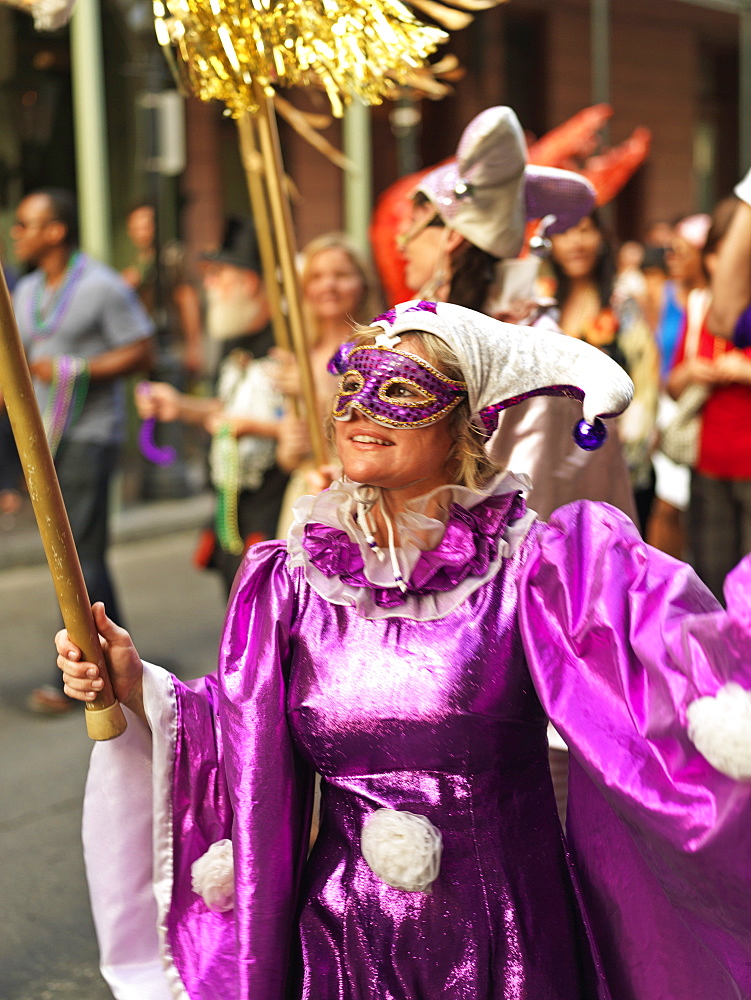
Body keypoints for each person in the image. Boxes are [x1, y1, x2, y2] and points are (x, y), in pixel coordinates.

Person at [57, 300, 751, 999]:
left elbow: (663, 671)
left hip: (505, 935)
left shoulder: (536, 565)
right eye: (352, 388)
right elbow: (243, 737)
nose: (363, 411)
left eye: (399, 392)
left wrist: (724, 699)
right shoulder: (291, 580)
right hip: (344, 938)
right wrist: (135, 682)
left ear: (466, 423)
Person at [399, 106, 638, 524]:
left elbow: (526, 514)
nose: (402, 243)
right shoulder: (438, 334)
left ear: (453, 240)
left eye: (416, 225)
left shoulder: (532, 352)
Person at [6, 188, 153, 714]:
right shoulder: (23, 291)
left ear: (56, 231)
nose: (16, 233)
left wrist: (80, 367)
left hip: (89, 436)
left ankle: (77, 674)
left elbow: (142, 348)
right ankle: (117, 657)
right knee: (81, 553)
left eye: (26, 225)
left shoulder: (101, 285)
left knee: (78, 554)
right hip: (45, 440)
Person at [136, 216, 288, 595]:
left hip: (276, 511)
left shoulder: (290, 342)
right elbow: (227, 408)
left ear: (249, 282)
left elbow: (306, 430)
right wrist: (181, 406)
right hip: (233, 509)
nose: (208, 287)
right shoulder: (234, 336)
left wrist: (256, 429)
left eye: (217, 276)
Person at [549, 212, 659, 534]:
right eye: (564, 233)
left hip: (616, 463)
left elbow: (646, 380)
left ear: (601, 238)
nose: (576, 242)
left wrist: (629, 450)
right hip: (552, 466)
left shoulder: (622, 305)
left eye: (585, 230)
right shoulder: (538, 307)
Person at [666, 197, 751, 603]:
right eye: (717, 253)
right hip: (708, 462)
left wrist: (742, 370)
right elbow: (673, 383)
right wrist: (693, 371)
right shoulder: (700, 305)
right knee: (713, 581)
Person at [273, 233, 382, 512]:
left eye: (341, 275)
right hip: (305, 493)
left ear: (363, 283)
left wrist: (317, 394)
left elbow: (378, 429)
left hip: (357, 493)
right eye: (317, 277)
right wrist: (288, 446)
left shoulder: (378, 350)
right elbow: (289, 456)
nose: (329, 286)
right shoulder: (299, 355)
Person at [647, 213, 711, 559]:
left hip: (698, 404)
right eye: (669, 251)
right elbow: (655, 355)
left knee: (686, 504)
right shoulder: (665, 293)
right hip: (669, 400)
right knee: (667, 504)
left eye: (681, 252)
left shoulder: (713, 299)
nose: (672, 259)